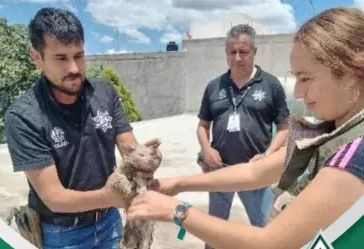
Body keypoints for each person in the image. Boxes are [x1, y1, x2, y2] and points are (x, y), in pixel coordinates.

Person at [126, 7, 364, 249]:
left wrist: (178, 212)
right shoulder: (333, 133)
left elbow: (269, 243)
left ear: (352, 72)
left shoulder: (354, 154)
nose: (298, 93)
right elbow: (254, 174)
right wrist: (178, 183)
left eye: (306, 78)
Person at [4, 7, 161, 249]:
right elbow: (53, 198)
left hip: (110, 223)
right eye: (61, 58)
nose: (74, 68)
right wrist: (107, 197)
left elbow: (129, 148)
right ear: (37, 58)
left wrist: (145, 158)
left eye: (79, 55)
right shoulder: (24, 117)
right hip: (62, 235)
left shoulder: (103, 92)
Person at [195, 23, 290, 242]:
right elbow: (202, 125)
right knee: (214, 231)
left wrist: (266, 156)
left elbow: (284, 128)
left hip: (256, 172)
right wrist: (206, 148)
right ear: (226, 54)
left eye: (244, 52)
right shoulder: (214, 86)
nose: (238, 58)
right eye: (232, 52)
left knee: (266, 231)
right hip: (221, 171)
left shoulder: (271, 85)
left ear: (254, 52)